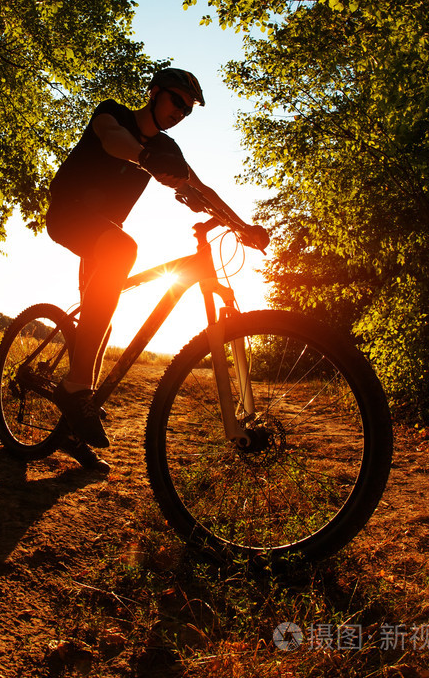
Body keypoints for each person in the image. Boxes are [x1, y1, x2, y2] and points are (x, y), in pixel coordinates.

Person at [46, 67, 267, 469]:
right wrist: (146, 157)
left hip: (104, 233)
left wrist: (243, 226)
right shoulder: (113, 113)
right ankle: (76, 387)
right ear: (154, 92)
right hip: (68, 213)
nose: (180, 112)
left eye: (187, 109)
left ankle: (74, 426)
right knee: (124, 247)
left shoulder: (170, 148)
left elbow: (203, 189)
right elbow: (114, 140)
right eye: (175, 101)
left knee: (102, 320)